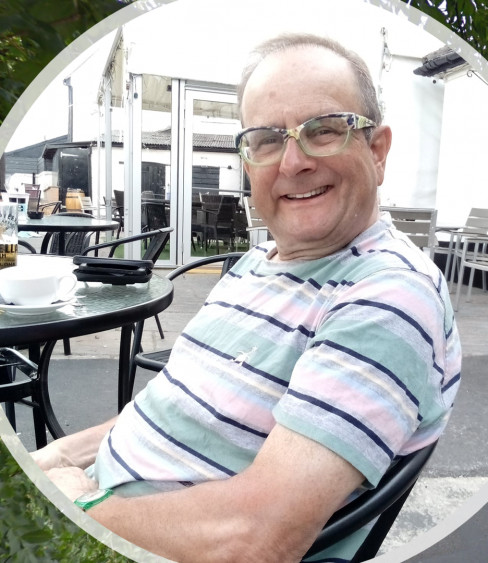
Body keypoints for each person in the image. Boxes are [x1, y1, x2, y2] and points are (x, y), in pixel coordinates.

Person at [30, 33, 461, 562]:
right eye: (267, 139)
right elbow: (173, 406)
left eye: (323, 130)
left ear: (376, 151)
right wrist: (56, 457)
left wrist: (74, 508)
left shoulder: (386, 297)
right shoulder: (259, 262)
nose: (293, 161)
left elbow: (255, 538)